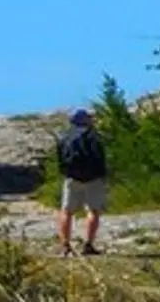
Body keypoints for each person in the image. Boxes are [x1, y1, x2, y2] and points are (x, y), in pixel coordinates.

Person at [53, 108, 108, 257]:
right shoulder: (93, 136)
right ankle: (88, 244)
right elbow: (99, 156)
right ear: (85, 120)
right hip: (93, 178)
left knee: (66, 211)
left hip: (71, 177)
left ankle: (65, 245)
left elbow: (60, 158)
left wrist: (65, 173)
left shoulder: (65, 136)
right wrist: (102, 175)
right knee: (93, 211)